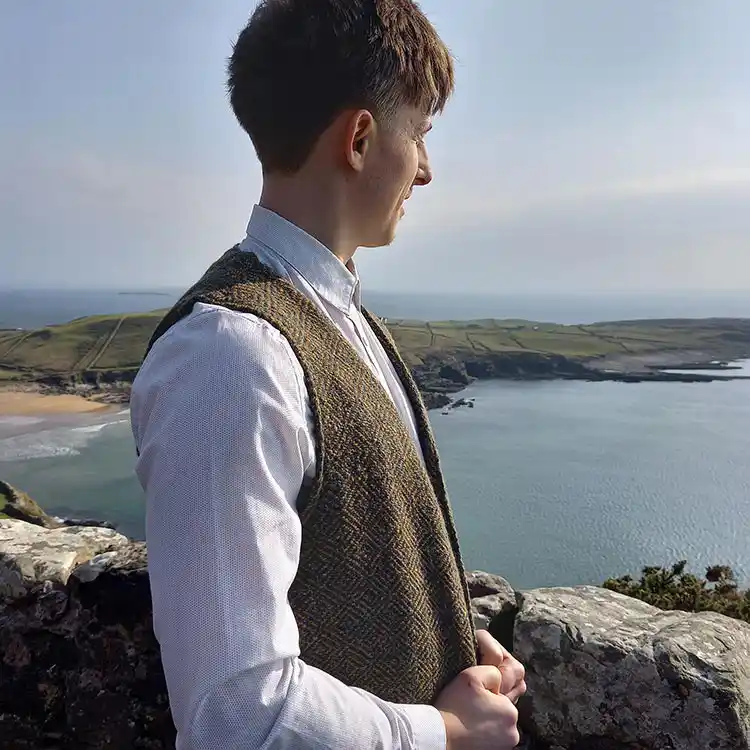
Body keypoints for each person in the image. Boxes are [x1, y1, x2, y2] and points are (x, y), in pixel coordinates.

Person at [130, 1, 526, 748]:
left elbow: (349, 554)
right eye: (421, 134)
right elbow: (235, 712)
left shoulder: (335, 316)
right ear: (362, 137)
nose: (428, 170)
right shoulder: (231, 357)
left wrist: (449, 633)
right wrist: (441, 732)